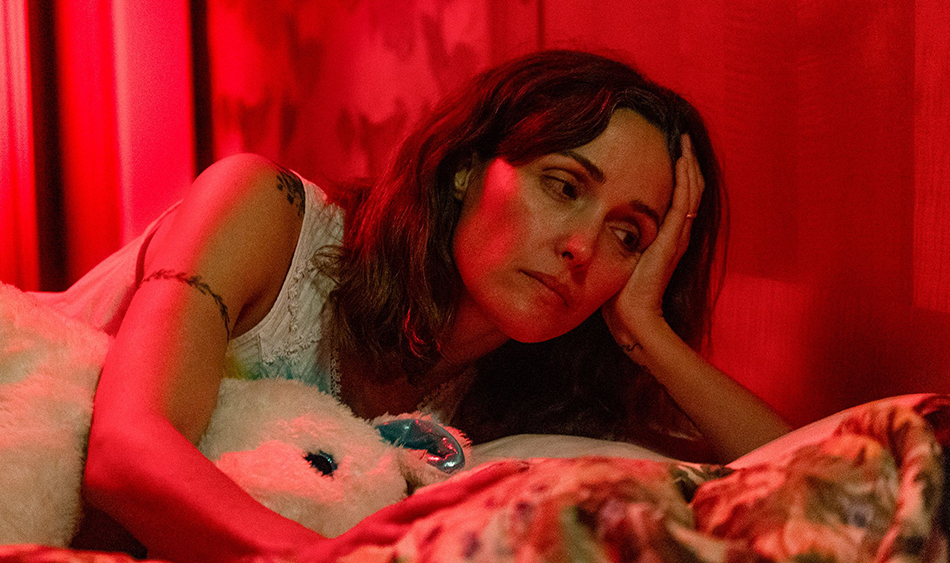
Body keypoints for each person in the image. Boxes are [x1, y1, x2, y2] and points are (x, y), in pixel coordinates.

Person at [51, 49, 790, 563]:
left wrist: (645, 331)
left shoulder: (521, 400)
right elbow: (125, 452)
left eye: (628, 235)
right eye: (564, 187)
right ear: (467, 168)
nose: (582, 248)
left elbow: (801, 474)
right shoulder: (263, 211)